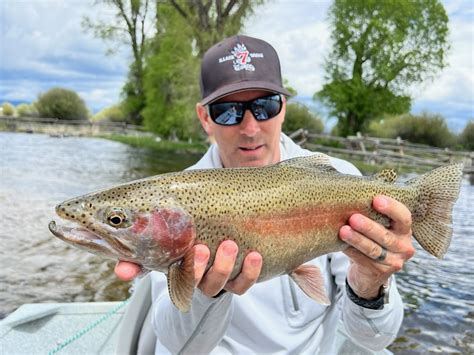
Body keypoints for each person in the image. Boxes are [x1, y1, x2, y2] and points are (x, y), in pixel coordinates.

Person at [115, 35, 415, 354]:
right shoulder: (174, 203)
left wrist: (369, 286)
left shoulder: (338, 181)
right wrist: (206, 294)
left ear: (283, 108)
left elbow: (372, 339)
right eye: (228, 111)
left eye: (264, 106)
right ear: (205, 118)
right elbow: (179, 345)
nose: (250, 127)